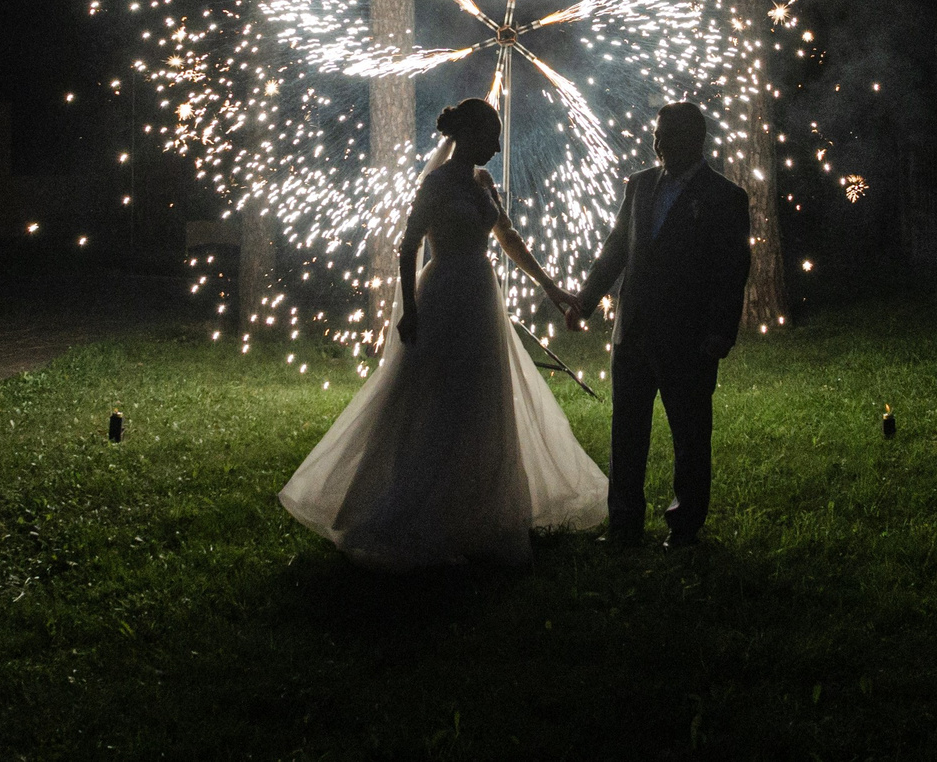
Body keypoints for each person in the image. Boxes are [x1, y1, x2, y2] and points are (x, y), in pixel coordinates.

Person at [278, 98, 607, 569]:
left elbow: (508, 238)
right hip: (444, 293)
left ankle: (476, 510)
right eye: (489, 136)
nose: (496, 146)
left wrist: (552, 289)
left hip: (480, 296)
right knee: (435, 400)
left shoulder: (482, 182)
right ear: (466, 136)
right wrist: (409, 311)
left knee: (480, 398)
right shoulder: (435, 183)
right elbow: (408, 245)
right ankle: (412, 510)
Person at [564, 101, 751, 548]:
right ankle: (624, 524)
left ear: (695, 138)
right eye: (656, 133)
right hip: (632, 332)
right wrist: (585, 303)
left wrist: (720, 333)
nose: (657, 142)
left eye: (666, 134)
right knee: (626, 432)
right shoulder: (640, 186)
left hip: (688, 338)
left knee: (689, 434)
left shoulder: (725, 197)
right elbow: (616, 249)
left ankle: (684, 528)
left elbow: (732, 269)